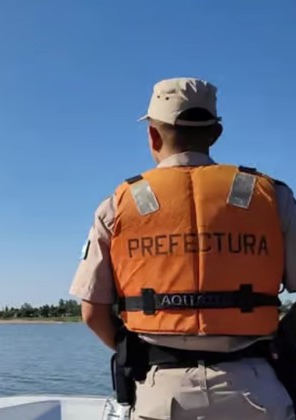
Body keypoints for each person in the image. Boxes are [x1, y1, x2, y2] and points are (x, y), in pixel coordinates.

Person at [69, 77, 296, 420]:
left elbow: (92, 313)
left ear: (153, 135)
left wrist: (135, 352)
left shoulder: (118, 205)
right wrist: (284, 345)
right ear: (216, 133)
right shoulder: (272, 197)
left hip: (161, 394)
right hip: (258, 389)